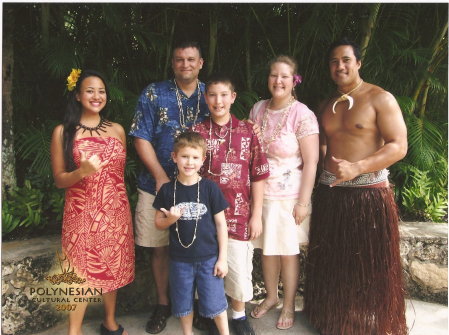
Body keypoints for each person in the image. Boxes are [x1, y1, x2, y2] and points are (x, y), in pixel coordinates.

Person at [303, 38, 408, 335]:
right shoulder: (325, 105)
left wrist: (358, 167)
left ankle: (368, 323)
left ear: (358, 63)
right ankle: (334, 320)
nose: (340, 66)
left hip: (368, 195)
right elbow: (317, 147)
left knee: (369, 267)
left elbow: (399, 145)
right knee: (334, 265)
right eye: (334, 61)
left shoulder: (380, 98)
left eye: (346, 60)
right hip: (330, 194)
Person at [128, 40, 209, 333]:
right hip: (155, 185)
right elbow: (140, 136)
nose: (185, 64)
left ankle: (199, 307)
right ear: (172, 63)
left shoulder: (211, 95)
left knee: (200, 248)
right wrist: (161, 176)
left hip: (198, 189)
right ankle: (163, 304)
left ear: (201, 63)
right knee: (159, 248)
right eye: (179, 60)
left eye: (191, 59)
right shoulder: (153, 93)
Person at [50, 69, 135, 335]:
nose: (96, 96)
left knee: (112, 265)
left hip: (115, 212)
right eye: (90, 90)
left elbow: (118, 175)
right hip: (81, 214)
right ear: (77, 95)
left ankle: (110, 321)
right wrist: (80, 173)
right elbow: (59, 179)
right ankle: (73, 331)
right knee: (79, 271)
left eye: (101, 91)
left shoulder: (118, 130)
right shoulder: (63, 132)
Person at [193, 74, 270, 335]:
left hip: (238, 214)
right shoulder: (197, 132)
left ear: (233, 97)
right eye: (212, 95)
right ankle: (210, 314)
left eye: (224, 94)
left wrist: (256, 215)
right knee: (205, 269)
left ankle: (238, 315)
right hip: (202, 217)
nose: (218, 101)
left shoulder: (248, 131)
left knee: (238, 268)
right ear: (205, 98)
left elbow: (258, 175)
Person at [249, 56, 319, 330]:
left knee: (288, 252)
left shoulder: (302, 114)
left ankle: (289, 303)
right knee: (267, 250)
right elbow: (250, 148)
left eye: (284, 77)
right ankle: (271, 296)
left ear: (294, 80)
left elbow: (311, 161)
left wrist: (303, 202)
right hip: (261, 193)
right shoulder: (258, 108)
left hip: (290, 196)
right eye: (274, 75)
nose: (278, 81)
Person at [153, 131, 230, 335]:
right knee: (183, 304)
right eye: (184, 156)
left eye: (195, 157)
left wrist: (222, 258)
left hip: (209, 259)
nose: (189, 162)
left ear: (203, 160)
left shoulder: (210, 188)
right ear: (174, 157)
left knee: (216, 304)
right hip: (180, 260)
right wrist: (170, 219)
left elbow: (221, 224)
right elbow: (158, 223)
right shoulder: (167, 191)